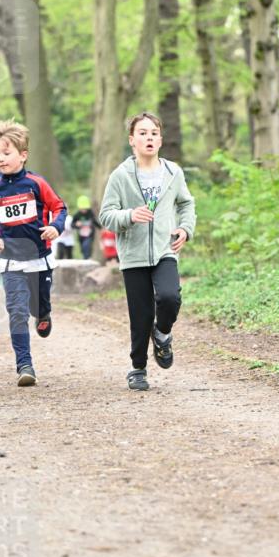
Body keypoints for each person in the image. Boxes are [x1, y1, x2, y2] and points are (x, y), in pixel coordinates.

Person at [99, 111, 196, 391]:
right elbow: (106, 216)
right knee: (139, 314)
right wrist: (130, 215)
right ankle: (138, 367)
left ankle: (163, 334)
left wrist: (185, 229)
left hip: (166, 249)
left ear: (161, 139)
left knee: (169, 297)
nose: (148, 137)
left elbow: (186, 204)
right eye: (142, 133)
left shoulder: (172, 172)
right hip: (133, 254)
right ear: (132, 140)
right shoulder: (120, 176)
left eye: (153, 133)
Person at [0, 119, 67, 387]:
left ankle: (44, 314)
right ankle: (24, 365)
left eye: (6, 153)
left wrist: (55, 227)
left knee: (37, 307)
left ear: (23, 155)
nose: (1, 158)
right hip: (11, 261)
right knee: (17, 311)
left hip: (39, 256)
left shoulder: (36, 183)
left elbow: (60, 207)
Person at [71, 195, 100, 260]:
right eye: (82, 209)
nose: (84, 210)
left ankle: (87, 259)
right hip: (81, 235)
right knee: (83, 248)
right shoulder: (77, 215)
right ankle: (86, 258)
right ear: (79, 208)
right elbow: (72, 225)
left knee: (87, 245)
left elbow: (95, 221)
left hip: (90, 234)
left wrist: (101, 228)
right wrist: (76, 224)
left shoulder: (90, 213)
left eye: (85, 208)